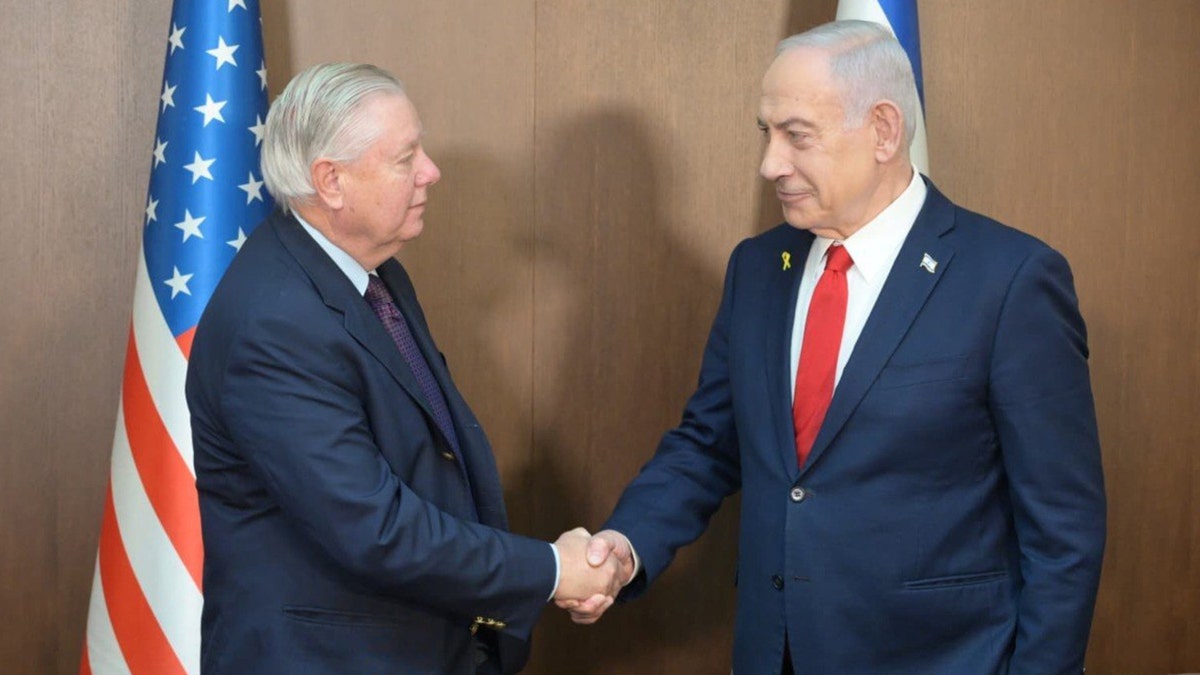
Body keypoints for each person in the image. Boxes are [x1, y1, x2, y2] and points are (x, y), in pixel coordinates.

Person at [569, 20, 1107, 674]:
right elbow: (710, 442)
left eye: (797, 135)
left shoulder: (1010, 280)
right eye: (765, 133)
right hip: (776, 654)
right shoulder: (759, 268)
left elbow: (1064, 532)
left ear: (882, 130)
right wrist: (628, 544)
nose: (770, 163)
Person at [185, 63, 621, 675]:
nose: (431, 172)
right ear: (330, 181)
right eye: (405, 157)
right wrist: (551, 570)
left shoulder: (373, 271)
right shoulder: (273, 324)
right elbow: (374, 528)